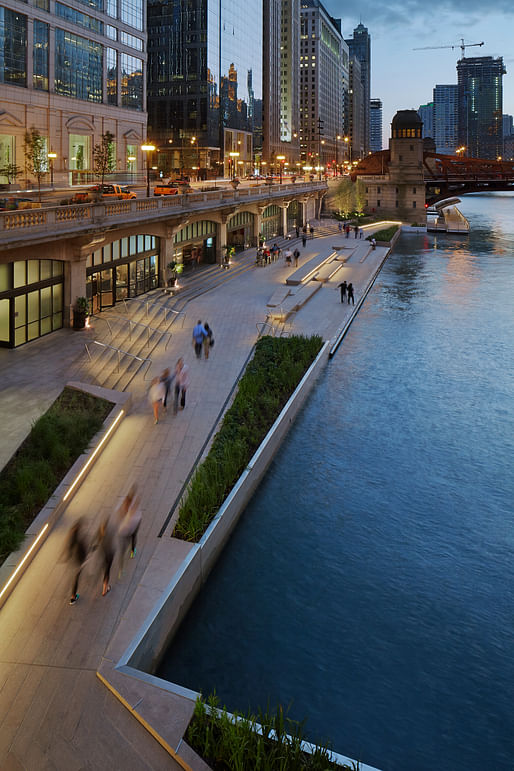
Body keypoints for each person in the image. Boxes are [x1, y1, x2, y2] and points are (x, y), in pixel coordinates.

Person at [118, 486, 142, 573]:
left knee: (133, 536)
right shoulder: (128, 501)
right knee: (131, 536)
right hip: (131, 522)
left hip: (135, 521)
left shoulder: (133, 502)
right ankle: (132, 549)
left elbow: (130, 512)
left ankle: (132, 550)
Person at [66, 518, 89, 605]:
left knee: (75, 577)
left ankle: (73, 596)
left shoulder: (73, 537)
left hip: (74, 560)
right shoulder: (80, 541)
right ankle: (73, 597)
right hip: (79, 561)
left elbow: (69, 548)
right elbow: (83, 551)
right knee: (76, 578)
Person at [95, 514, 117, 596]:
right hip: (109, 555)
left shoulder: (100, 534)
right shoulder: (109, 534)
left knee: (105, 570)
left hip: (103, 554)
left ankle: (105, 588)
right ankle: (105, 589)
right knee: (107, 572)